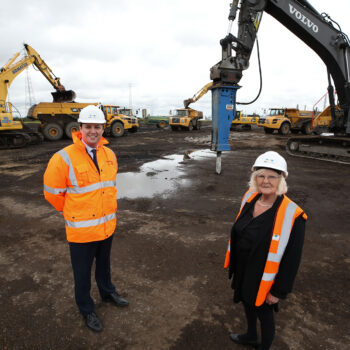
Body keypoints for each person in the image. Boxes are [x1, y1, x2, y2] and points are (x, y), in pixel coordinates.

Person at [43, 105, 129, 332]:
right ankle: (86, 308)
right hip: (81, 231)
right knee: (82, 274)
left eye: (97, 127)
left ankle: (108, 292)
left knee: (104, 266)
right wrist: (69, 212)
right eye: (88, 126)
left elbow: (108, 188)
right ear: (79, 128)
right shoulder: (63, 157)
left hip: (106, 226)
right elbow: (51, 192)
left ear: (103, 128)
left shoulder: (109, 154)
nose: (93, 131)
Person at [224, 151, 307, 350]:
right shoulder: (250, 198)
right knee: (246, 300)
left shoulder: (293, 214)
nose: (266, 181)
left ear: (281, 180)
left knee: (264, 311)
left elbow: (292, 258)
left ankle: (264, 346)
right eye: (261, 175)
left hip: (265, 275)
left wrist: (278, 290)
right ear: (255, 178)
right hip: (244, 267)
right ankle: (252, 335)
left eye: (272, 176)